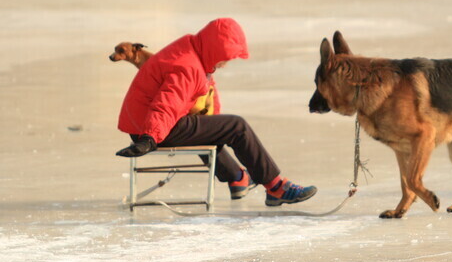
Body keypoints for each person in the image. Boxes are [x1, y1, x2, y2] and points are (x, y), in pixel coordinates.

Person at [115, 17, 317, 207]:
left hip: (149, 124)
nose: (226, 63)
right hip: (152, 128)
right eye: (226, 57)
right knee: (237, 127)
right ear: (216, 50)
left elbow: (208, 96)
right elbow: (166, 103)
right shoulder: (188, 66)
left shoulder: (193, 51)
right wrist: (149, 138)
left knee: (214, 126)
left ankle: (237, 178)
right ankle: (276, 187)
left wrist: (213, 126)